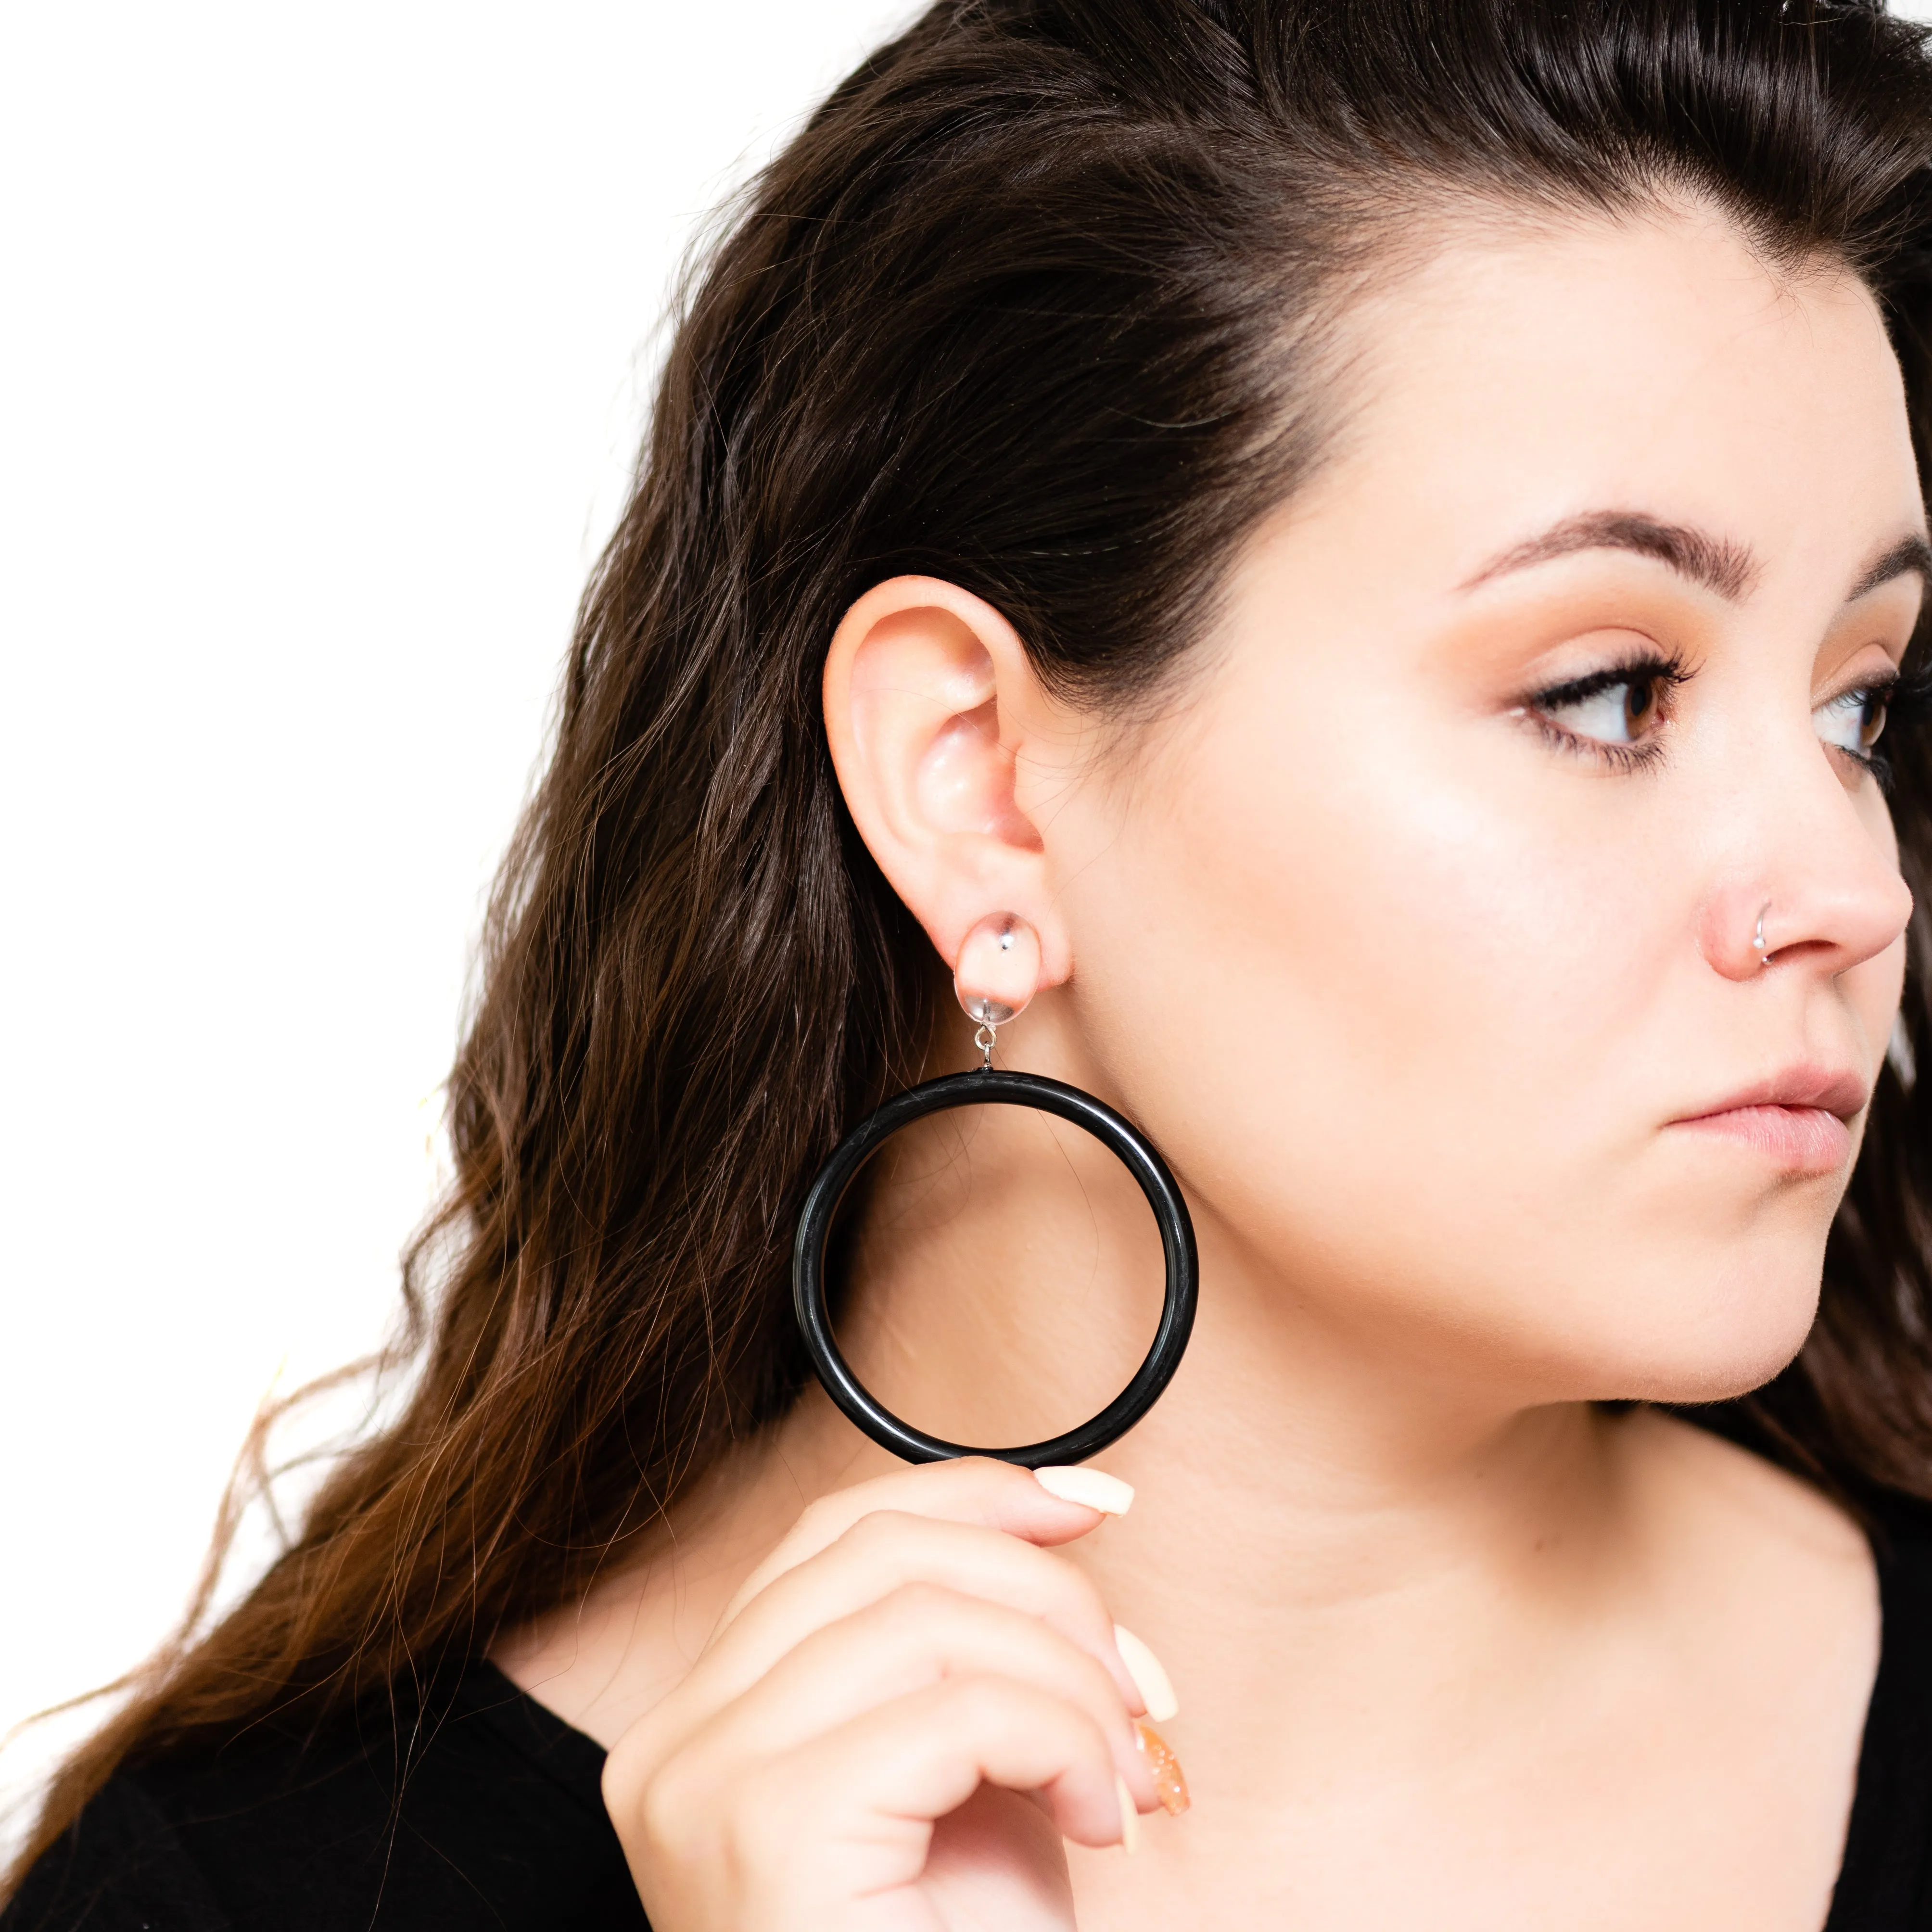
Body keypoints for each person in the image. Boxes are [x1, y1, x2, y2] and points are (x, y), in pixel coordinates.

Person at [13, 0, 1932, 1925]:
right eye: (1606, 690)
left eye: (1857, 704)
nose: (1847, 887)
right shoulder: (264, 1888)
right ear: (980, 788)